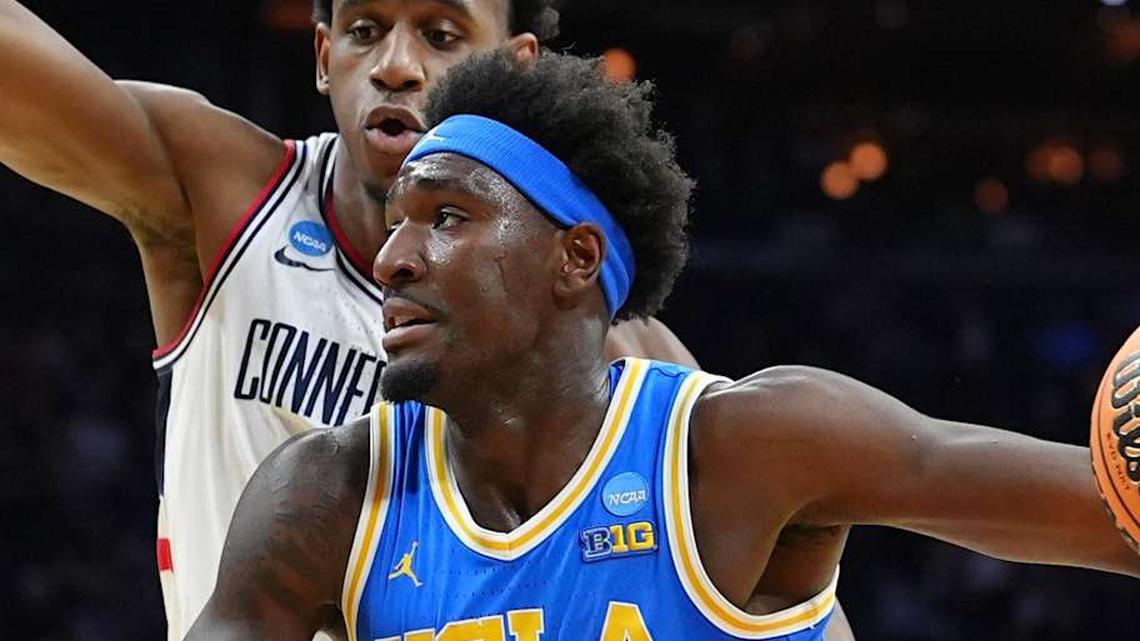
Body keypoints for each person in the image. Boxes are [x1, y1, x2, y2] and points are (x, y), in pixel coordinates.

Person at [185, 51, 1139, 641]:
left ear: (575, 257)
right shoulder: (324, 496)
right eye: (396, 222)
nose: (393, 257)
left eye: (445, 217)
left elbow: (1108, 514)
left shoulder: (743, 448)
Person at [0, 2, 752, 640]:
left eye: (442, 34)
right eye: (363, 28)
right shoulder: (222, 196)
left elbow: (771, 586)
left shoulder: (605, 343)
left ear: (514, 68)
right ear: (324, 55)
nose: (396, 64)